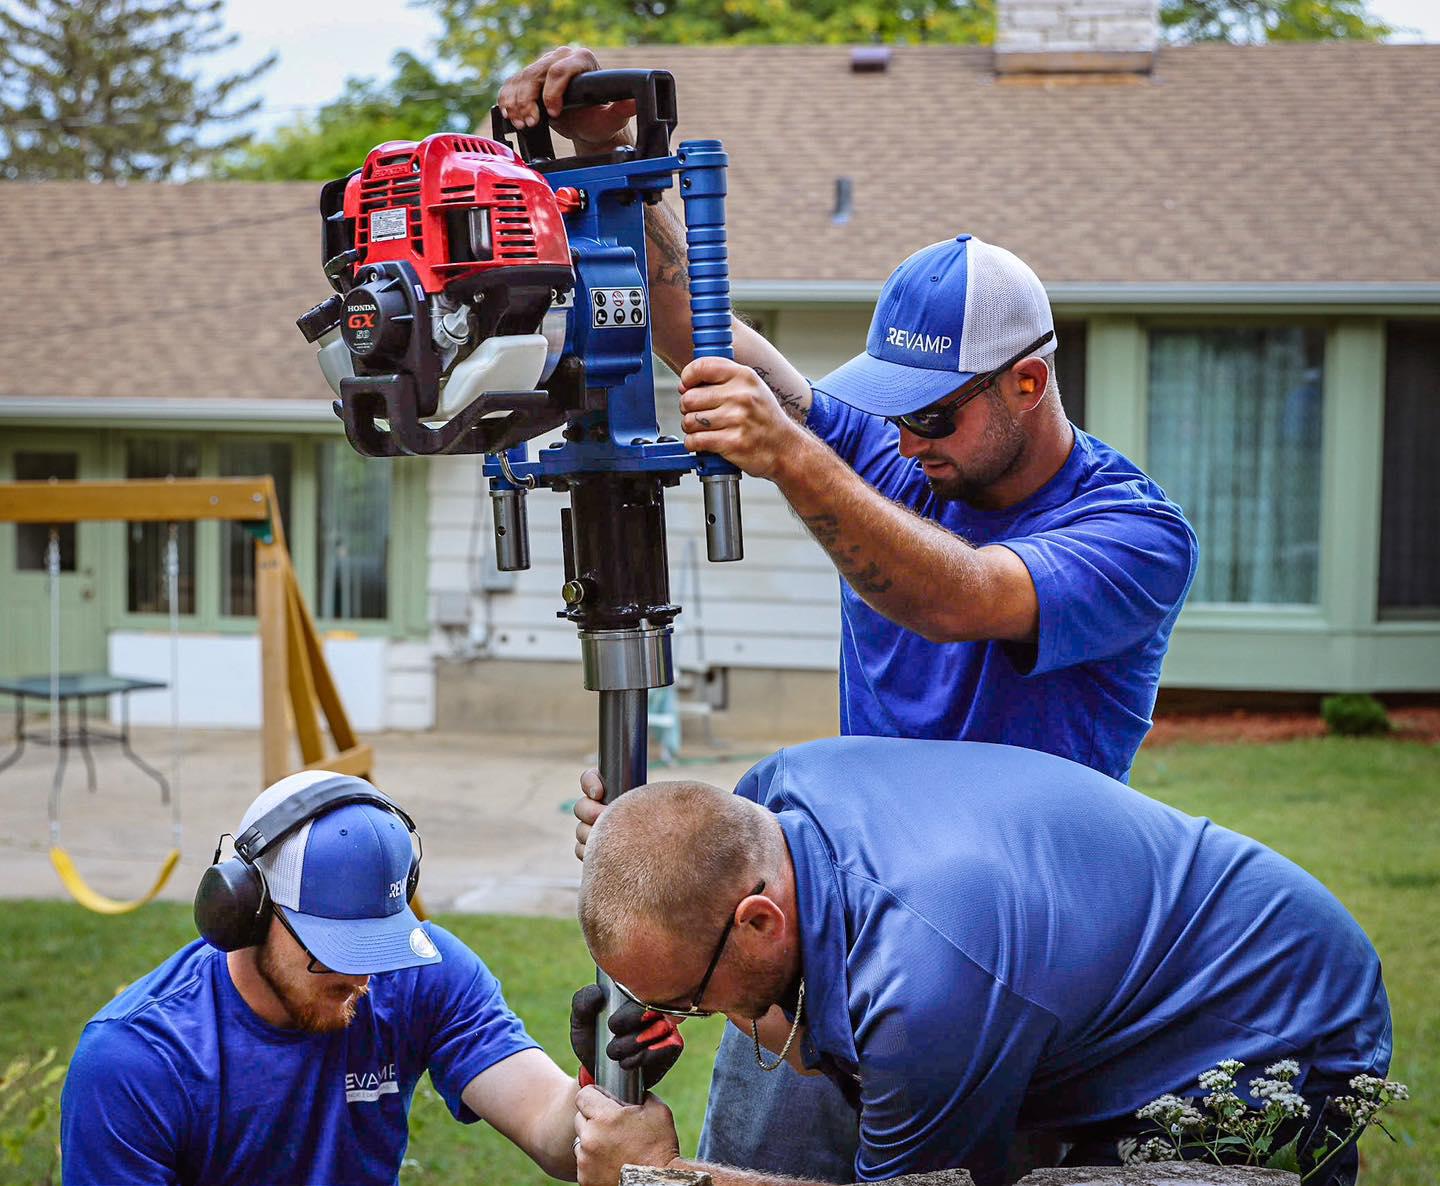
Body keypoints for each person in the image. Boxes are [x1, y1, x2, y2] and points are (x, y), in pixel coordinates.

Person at [502, 46, 1199, 1181]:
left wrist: (794, 461)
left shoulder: (1134, 534)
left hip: (991, 974)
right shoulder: (895, 449)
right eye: (896, 418)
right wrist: (613, 160)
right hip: (812, 945)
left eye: (934, 419)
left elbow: (954, 597)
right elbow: (698, 329)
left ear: (1028, 383)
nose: (909, 445)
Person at [569, 737, 1392, 1186]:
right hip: (1080, 971)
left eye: (685, 999)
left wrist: (663, 1180)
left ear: (757, 920)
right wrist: (728, 1005)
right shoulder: (774, 796)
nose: (692, 1019)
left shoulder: (925, 984)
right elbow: (811, 1015)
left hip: (1275, 1039)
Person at [59, 770, 682, 1186]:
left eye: (376, 944)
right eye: (334, 949)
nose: (361, 974)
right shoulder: (136, 1060)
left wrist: (602, 1085)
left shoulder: (422, 972)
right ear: (245, 911)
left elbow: (552, 1137)